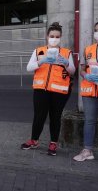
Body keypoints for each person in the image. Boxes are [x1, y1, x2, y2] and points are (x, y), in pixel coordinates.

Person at [21, 22, 75, 156]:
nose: (54, 39)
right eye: (52, 36)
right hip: (41, 89)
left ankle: (53, 143)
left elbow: (72, 71)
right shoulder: (39, 51)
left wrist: (66, 63)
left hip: (59, 92)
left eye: (57, 37)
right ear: (47, 36)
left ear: (60, 37)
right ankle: (34, 140)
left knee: (55, 117)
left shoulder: (66, 53)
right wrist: (42, 60)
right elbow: (29, 67)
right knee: (39, 116)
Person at [73, 20, 98, 161]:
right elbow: (82, 69)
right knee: (89, 120)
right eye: (96, 29)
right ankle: (87, 150)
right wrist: (86, 75)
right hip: (90, 90)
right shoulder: (88, 49)